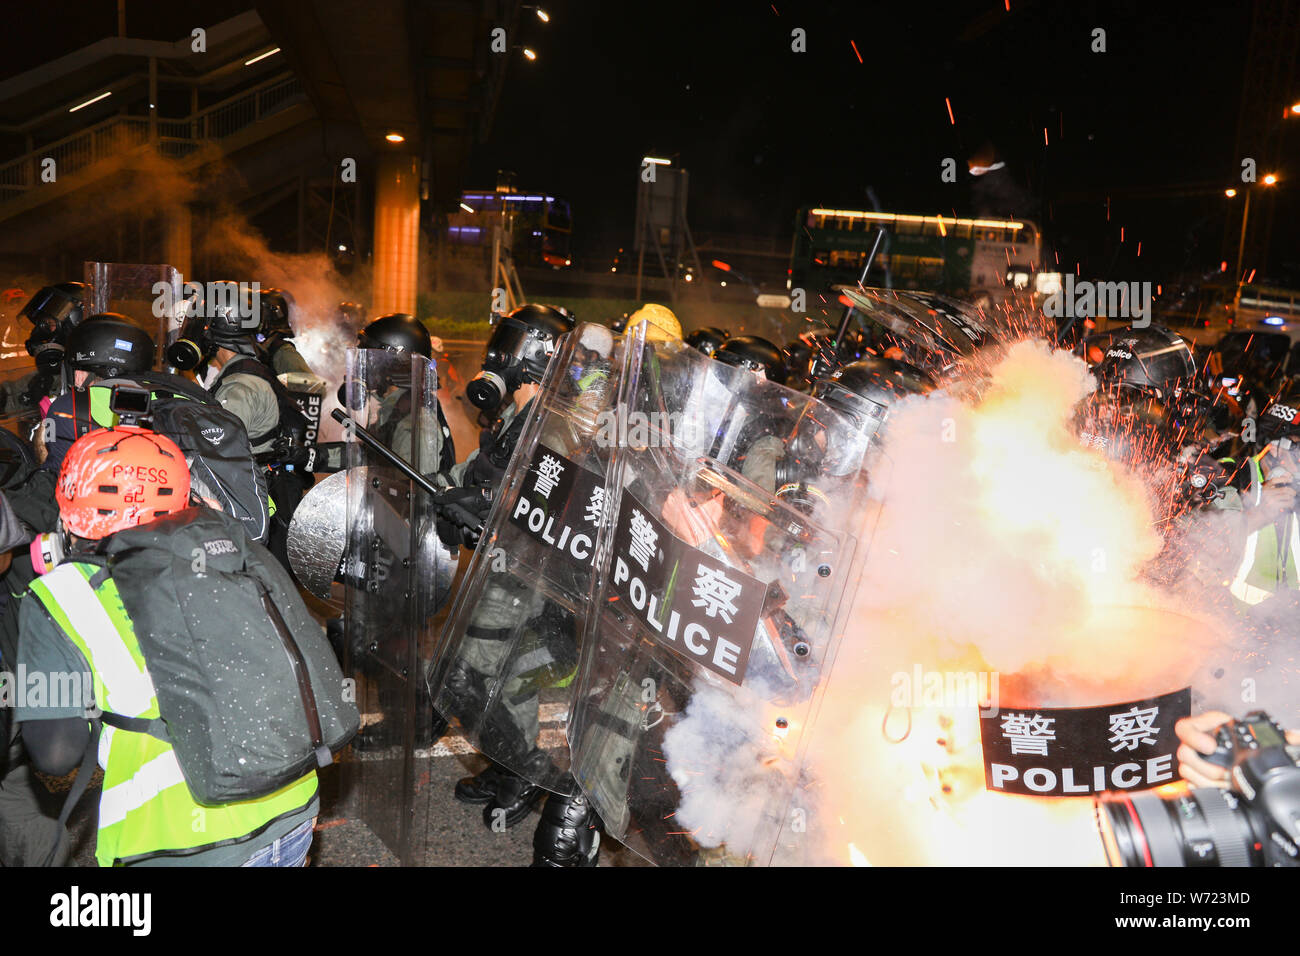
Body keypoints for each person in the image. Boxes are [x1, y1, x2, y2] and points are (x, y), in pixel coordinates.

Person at [15, 426, 321, 866]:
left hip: (178, 841)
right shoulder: (230, 549)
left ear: (69, 501)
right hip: (291, 808)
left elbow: (56, 754)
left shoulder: (62, 596)